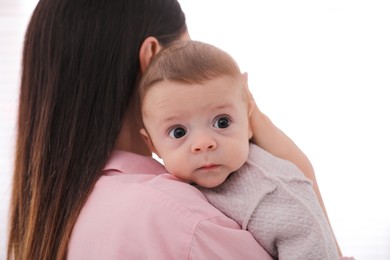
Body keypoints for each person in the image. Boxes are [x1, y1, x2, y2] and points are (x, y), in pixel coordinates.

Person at [7, 0, 340, 259]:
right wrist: (303, 180)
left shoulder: (65, 210)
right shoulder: (182, 219)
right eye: (184, 48)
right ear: (152, 57)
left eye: (221, 122)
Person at [138, 40, 340, 259]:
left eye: (222, 122)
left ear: (248, 122)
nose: (204, 143)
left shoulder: (271, 193)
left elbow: (315, 242)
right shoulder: (157, 190)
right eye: (178, 132)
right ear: (152, 144)